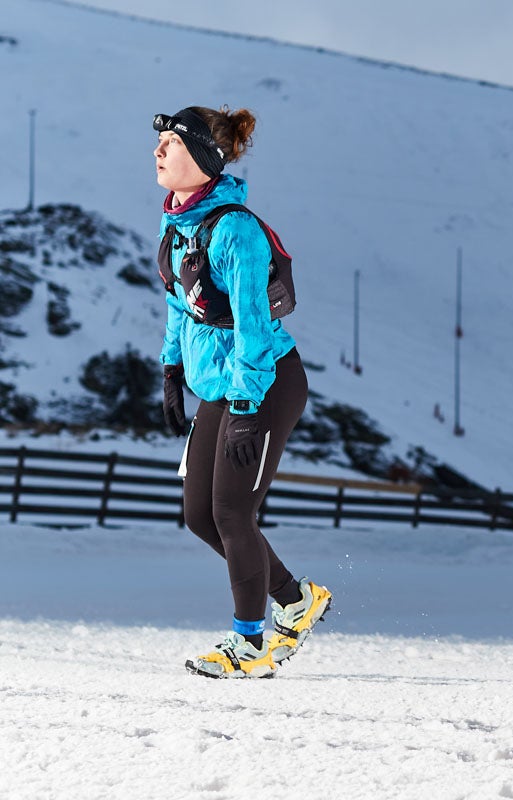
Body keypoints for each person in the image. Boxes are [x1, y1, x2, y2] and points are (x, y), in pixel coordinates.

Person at [155, 105, 332, 678]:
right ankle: (297, 601)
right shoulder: (178, 223)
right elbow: (181, 304)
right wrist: (171, 369)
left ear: (204, 157)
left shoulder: (235, 230)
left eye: (172, 144)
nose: (158, 151)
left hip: (265, 384)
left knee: (232, 511)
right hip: (221, 385)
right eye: (158, 141)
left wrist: (249, 409)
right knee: (199, 516)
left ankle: (251, 646)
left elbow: (253, 328)